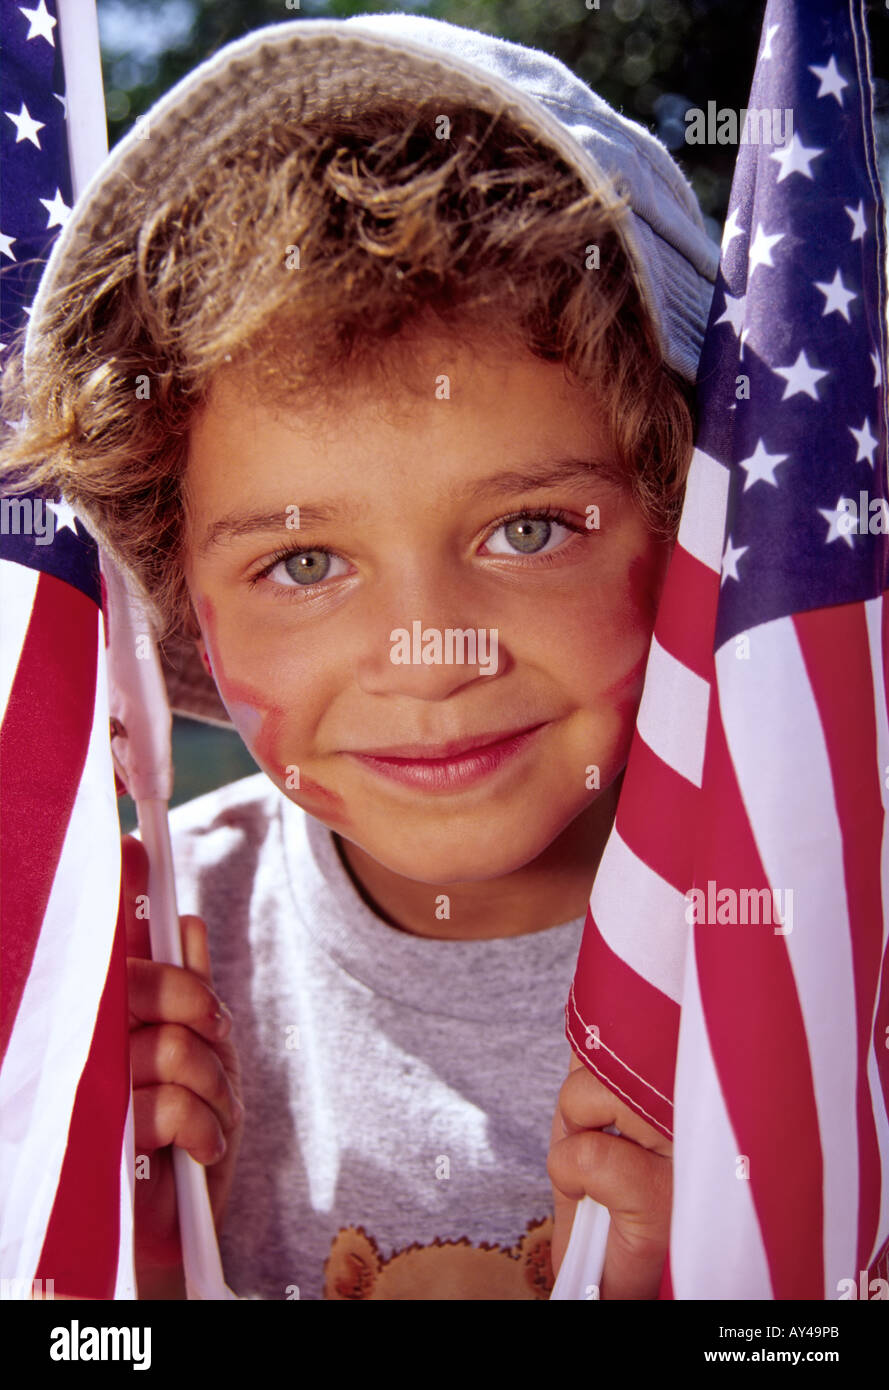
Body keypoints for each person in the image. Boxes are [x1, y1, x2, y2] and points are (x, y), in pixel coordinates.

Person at [0, 13, 717, 1299]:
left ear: (686, 528)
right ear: (183, 597)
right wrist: (132, 1276)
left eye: (528, 527)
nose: (427, 655)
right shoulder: (116, 986)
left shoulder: (817, 949)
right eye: (303, 563)